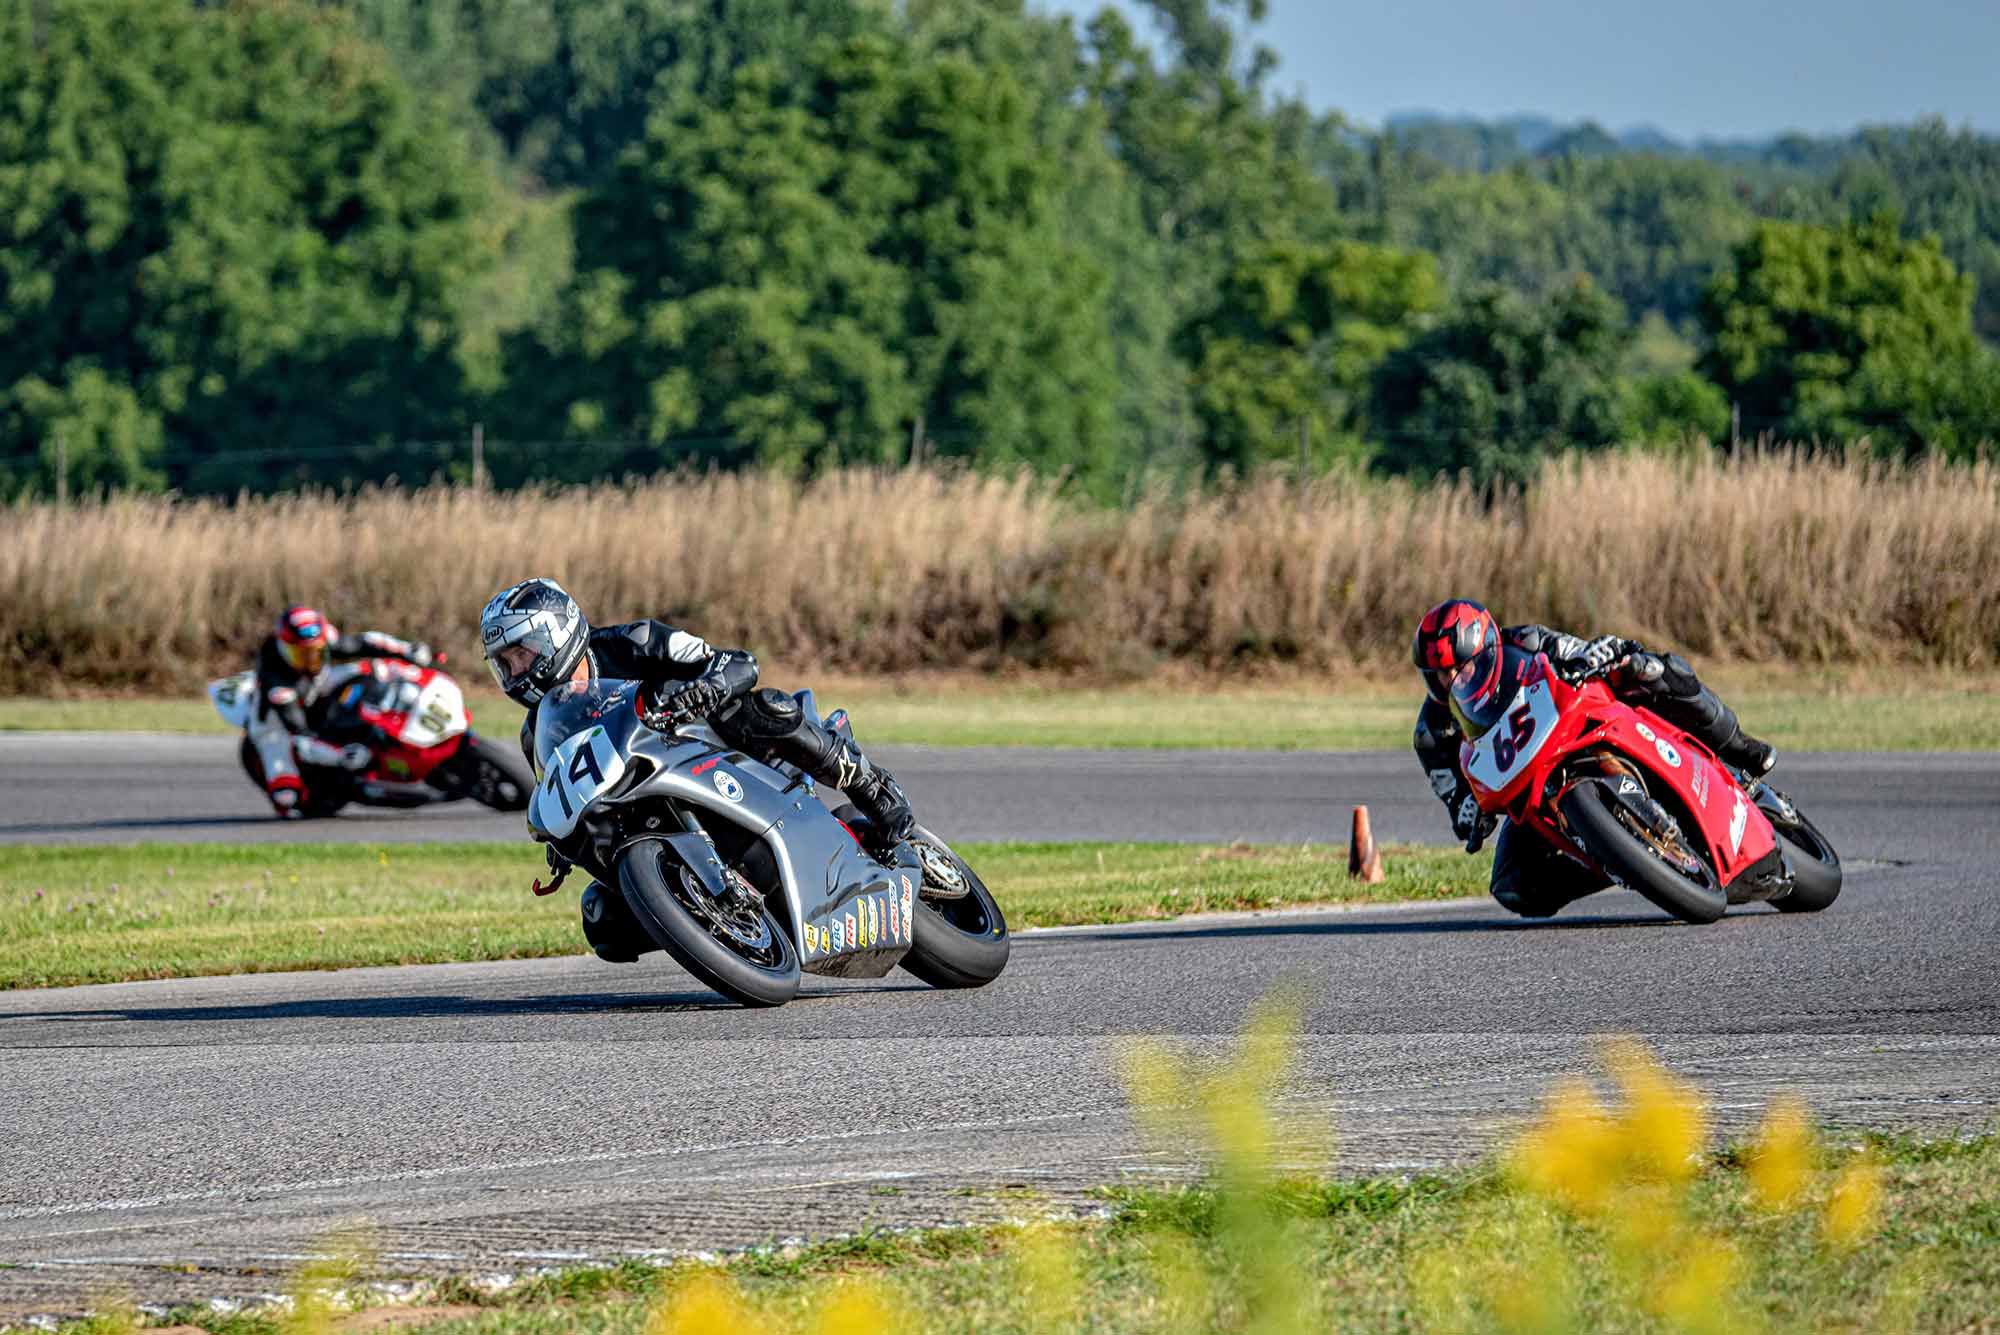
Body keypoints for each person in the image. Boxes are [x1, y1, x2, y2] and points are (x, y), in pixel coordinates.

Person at [478, 577, 914, 856]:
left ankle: (871, 786)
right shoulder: (537, 731)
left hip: (714, 747)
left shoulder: (635, 641)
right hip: (646, 799)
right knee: (603, 925)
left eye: (522, 653)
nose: (516, 671)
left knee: (766, 706)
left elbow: (737, 663)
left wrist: (709, 686)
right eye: (505, 662)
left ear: (556, 632)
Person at [1410, 598, 1776, 918]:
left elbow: (1575, 651)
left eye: (1462, 666)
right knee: (1511, 886)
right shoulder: (1432, 733)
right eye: (1441, 674)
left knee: (1650, 670)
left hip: (1582, 726)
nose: (1454, 679)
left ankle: (1740, 748)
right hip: (1532, 785)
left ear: (1488, 649)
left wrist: (1595, 655)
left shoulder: (1525, 642)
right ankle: (1620, 859)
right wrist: (1466, 812)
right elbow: (1454, 798)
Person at [244, 605, 437, 817]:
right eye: (301, 654)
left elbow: (361, 642)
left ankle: (384, 717)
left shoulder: (323, 640)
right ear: (284, 647)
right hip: (274, 727)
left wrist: (407, 649)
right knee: (286, 797)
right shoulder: (276, 681)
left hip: (314, 687)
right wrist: (340, 756)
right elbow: (300, 733)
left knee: (376, 668)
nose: (310, 660)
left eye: (316, 652)